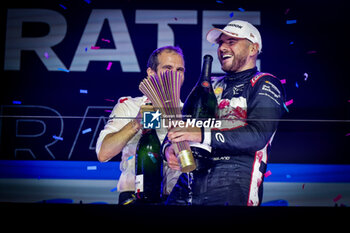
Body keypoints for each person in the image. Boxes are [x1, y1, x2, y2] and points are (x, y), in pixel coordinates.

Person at [164, 20, 286, 206]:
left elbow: (258, 135)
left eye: (231, 42)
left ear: (253, 49)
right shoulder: (211, 85)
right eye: (221, 43)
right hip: (188, 181)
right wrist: (168, 148)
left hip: (234, 182)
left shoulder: (265, 83)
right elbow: (182, 124)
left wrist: (201, 134)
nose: (222, 48)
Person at [96, 46, 185, 205]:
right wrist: (136, 123)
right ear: (151, 73)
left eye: (180, 70)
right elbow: (103, 153)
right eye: (168, 68)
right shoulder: (129, 106)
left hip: (176, 197)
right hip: (134, 196)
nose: (174, 75)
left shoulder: (189, 111)